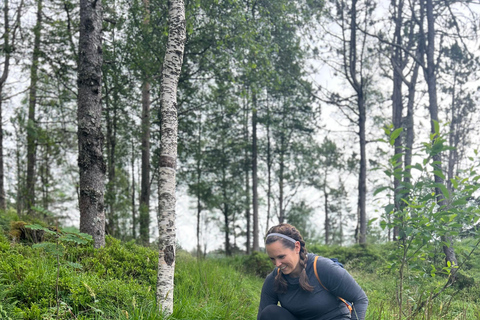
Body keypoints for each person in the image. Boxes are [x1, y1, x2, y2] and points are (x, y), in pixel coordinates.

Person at [257, 223, 368, 320]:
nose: (277, 264)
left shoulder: (322, 268)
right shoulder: (273, 279)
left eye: (281, 256)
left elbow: (360, 298)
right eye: (272, 258)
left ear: (296, 247)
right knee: (269, 313)